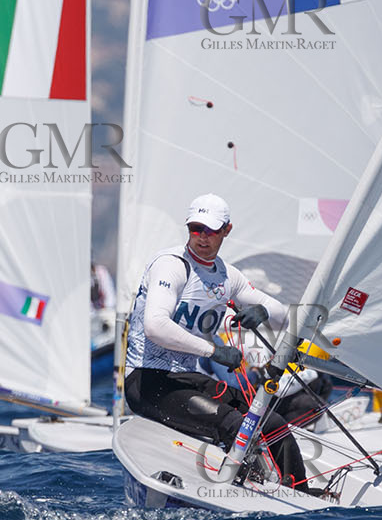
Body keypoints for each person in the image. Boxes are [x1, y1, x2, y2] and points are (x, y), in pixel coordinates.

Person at [123, 193, 318, 492]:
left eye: (211, 230)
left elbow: (283, 316)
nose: (202, 237)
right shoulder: (172, 265)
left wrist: (263, 310)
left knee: (273, 421)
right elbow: (155, 327)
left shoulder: (229, 276)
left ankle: (303, 495)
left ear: (227, 230)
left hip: (188, 380)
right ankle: (248, 491)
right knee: (236, 425)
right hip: (148, 381)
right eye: (195, 229)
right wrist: (213, 350)